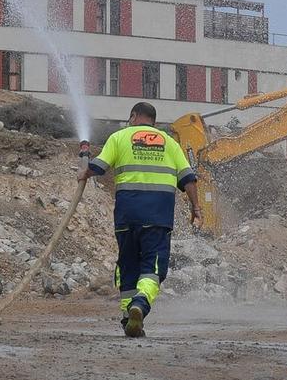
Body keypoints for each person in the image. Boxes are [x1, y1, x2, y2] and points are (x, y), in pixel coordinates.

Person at [78, 102, 202, 338]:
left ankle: (129, 320)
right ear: (153, 121)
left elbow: (98, 167)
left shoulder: (119, 137)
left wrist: (83, 171)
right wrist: (196, 208)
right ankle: (140, 303)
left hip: (126, 217)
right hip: (157, 217)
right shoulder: (170, 142)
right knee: (153, 267)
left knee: (128, 265)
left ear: (133, 116)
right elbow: (189, 179)